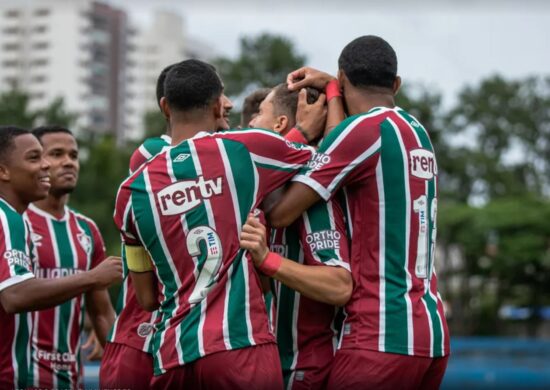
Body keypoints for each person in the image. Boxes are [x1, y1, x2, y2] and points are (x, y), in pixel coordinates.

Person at [113, 59, 325, 389]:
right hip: (241, 344)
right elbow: (314, 154)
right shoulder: (241, 150)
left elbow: (146, 299)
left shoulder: (130, 193)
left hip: (173, 354)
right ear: (217, 106)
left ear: (166, 107)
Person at [269, 35, 450, 389]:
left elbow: (281, 214)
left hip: (379, 336)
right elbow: (341, 150)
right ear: (396, 84)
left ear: (343, 76)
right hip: (432, 337)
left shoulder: (364, 131)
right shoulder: (417, 132)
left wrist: (301, 130)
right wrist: (334, 90)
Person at [242, 83, 352, 389]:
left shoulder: (310, 200)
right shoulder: (266, 195)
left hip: (307, 369)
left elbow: (339, 284)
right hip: (275, 365)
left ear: (280, 124)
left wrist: (267, 259)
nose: (251, 122)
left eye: (260, 113)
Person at [0, 127, 122, 389]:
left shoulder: (86, 229)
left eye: (73, 155)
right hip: (22, 375)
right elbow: (14, 295)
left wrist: (121, 364)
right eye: (53, 154)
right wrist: (91, 277)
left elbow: (101, 312)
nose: (66, 162)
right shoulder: (12, 219)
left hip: (69, 377)